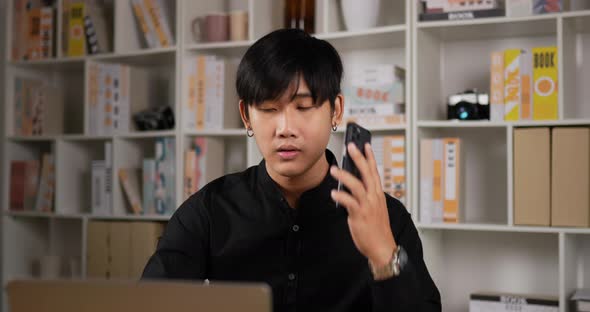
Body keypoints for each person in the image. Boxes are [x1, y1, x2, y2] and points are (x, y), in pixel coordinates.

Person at [142, 28, 441, 312]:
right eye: (270, 109)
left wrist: (383, 254)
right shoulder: (209, 211)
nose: (285, 129)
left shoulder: (386, 216)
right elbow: (149, 302)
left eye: (304, 106)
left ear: (335, 110)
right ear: (246, 116)